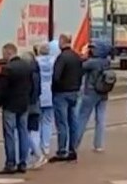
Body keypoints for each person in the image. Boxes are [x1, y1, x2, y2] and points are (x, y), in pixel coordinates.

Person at [0, 43, 32, 175]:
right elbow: (32, 85)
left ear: (9, 52)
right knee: (23, 133)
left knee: (9, 134)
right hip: (24, 104)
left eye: (4, 53)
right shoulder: (27, 66)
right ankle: (23, 163)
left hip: (10, 105)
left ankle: (10, 163)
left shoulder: (7, 69)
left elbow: (2, 90)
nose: (3, 56)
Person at [73, 39, 112, 153]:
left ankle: (75, 144)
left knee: (82, 118)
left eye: (93, 48)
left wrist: (83, 53)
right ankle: (98, 144)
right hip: (103, 93)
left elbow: (79, 66)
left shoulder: (92, 62)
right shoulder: (107, 61)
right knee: (100, 119)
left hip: (90, 93)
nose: (91, 50)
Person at [49, 34, 83, 162]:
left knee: (62, 123)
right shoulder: (76, 57)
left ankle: (62, 150)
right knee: (72, 121)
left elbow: (56, 76)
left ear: (62, 42)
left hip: (61, 93)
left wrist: (54, 89)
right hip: (74, 92)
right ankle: (72, 149)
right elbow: (81, 73)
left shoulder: (61, 58)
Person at [19, 49, 43, 168]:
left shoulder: (29, 74)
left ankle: (37, 154)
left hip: (29, 104)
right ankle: (31, 156)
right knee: (33, 130)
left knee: (24, 131)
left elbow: (31, 90)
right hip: (36, 103)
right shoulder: (37, 71)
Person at [33, 42, 56, 162]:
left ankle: (36, 147)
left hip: (39, 92)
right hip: (51, 92)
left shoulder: (36, 61)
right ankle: (46, 146)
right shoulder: (54, 61)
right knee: (47, 121)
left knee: (37, 121)